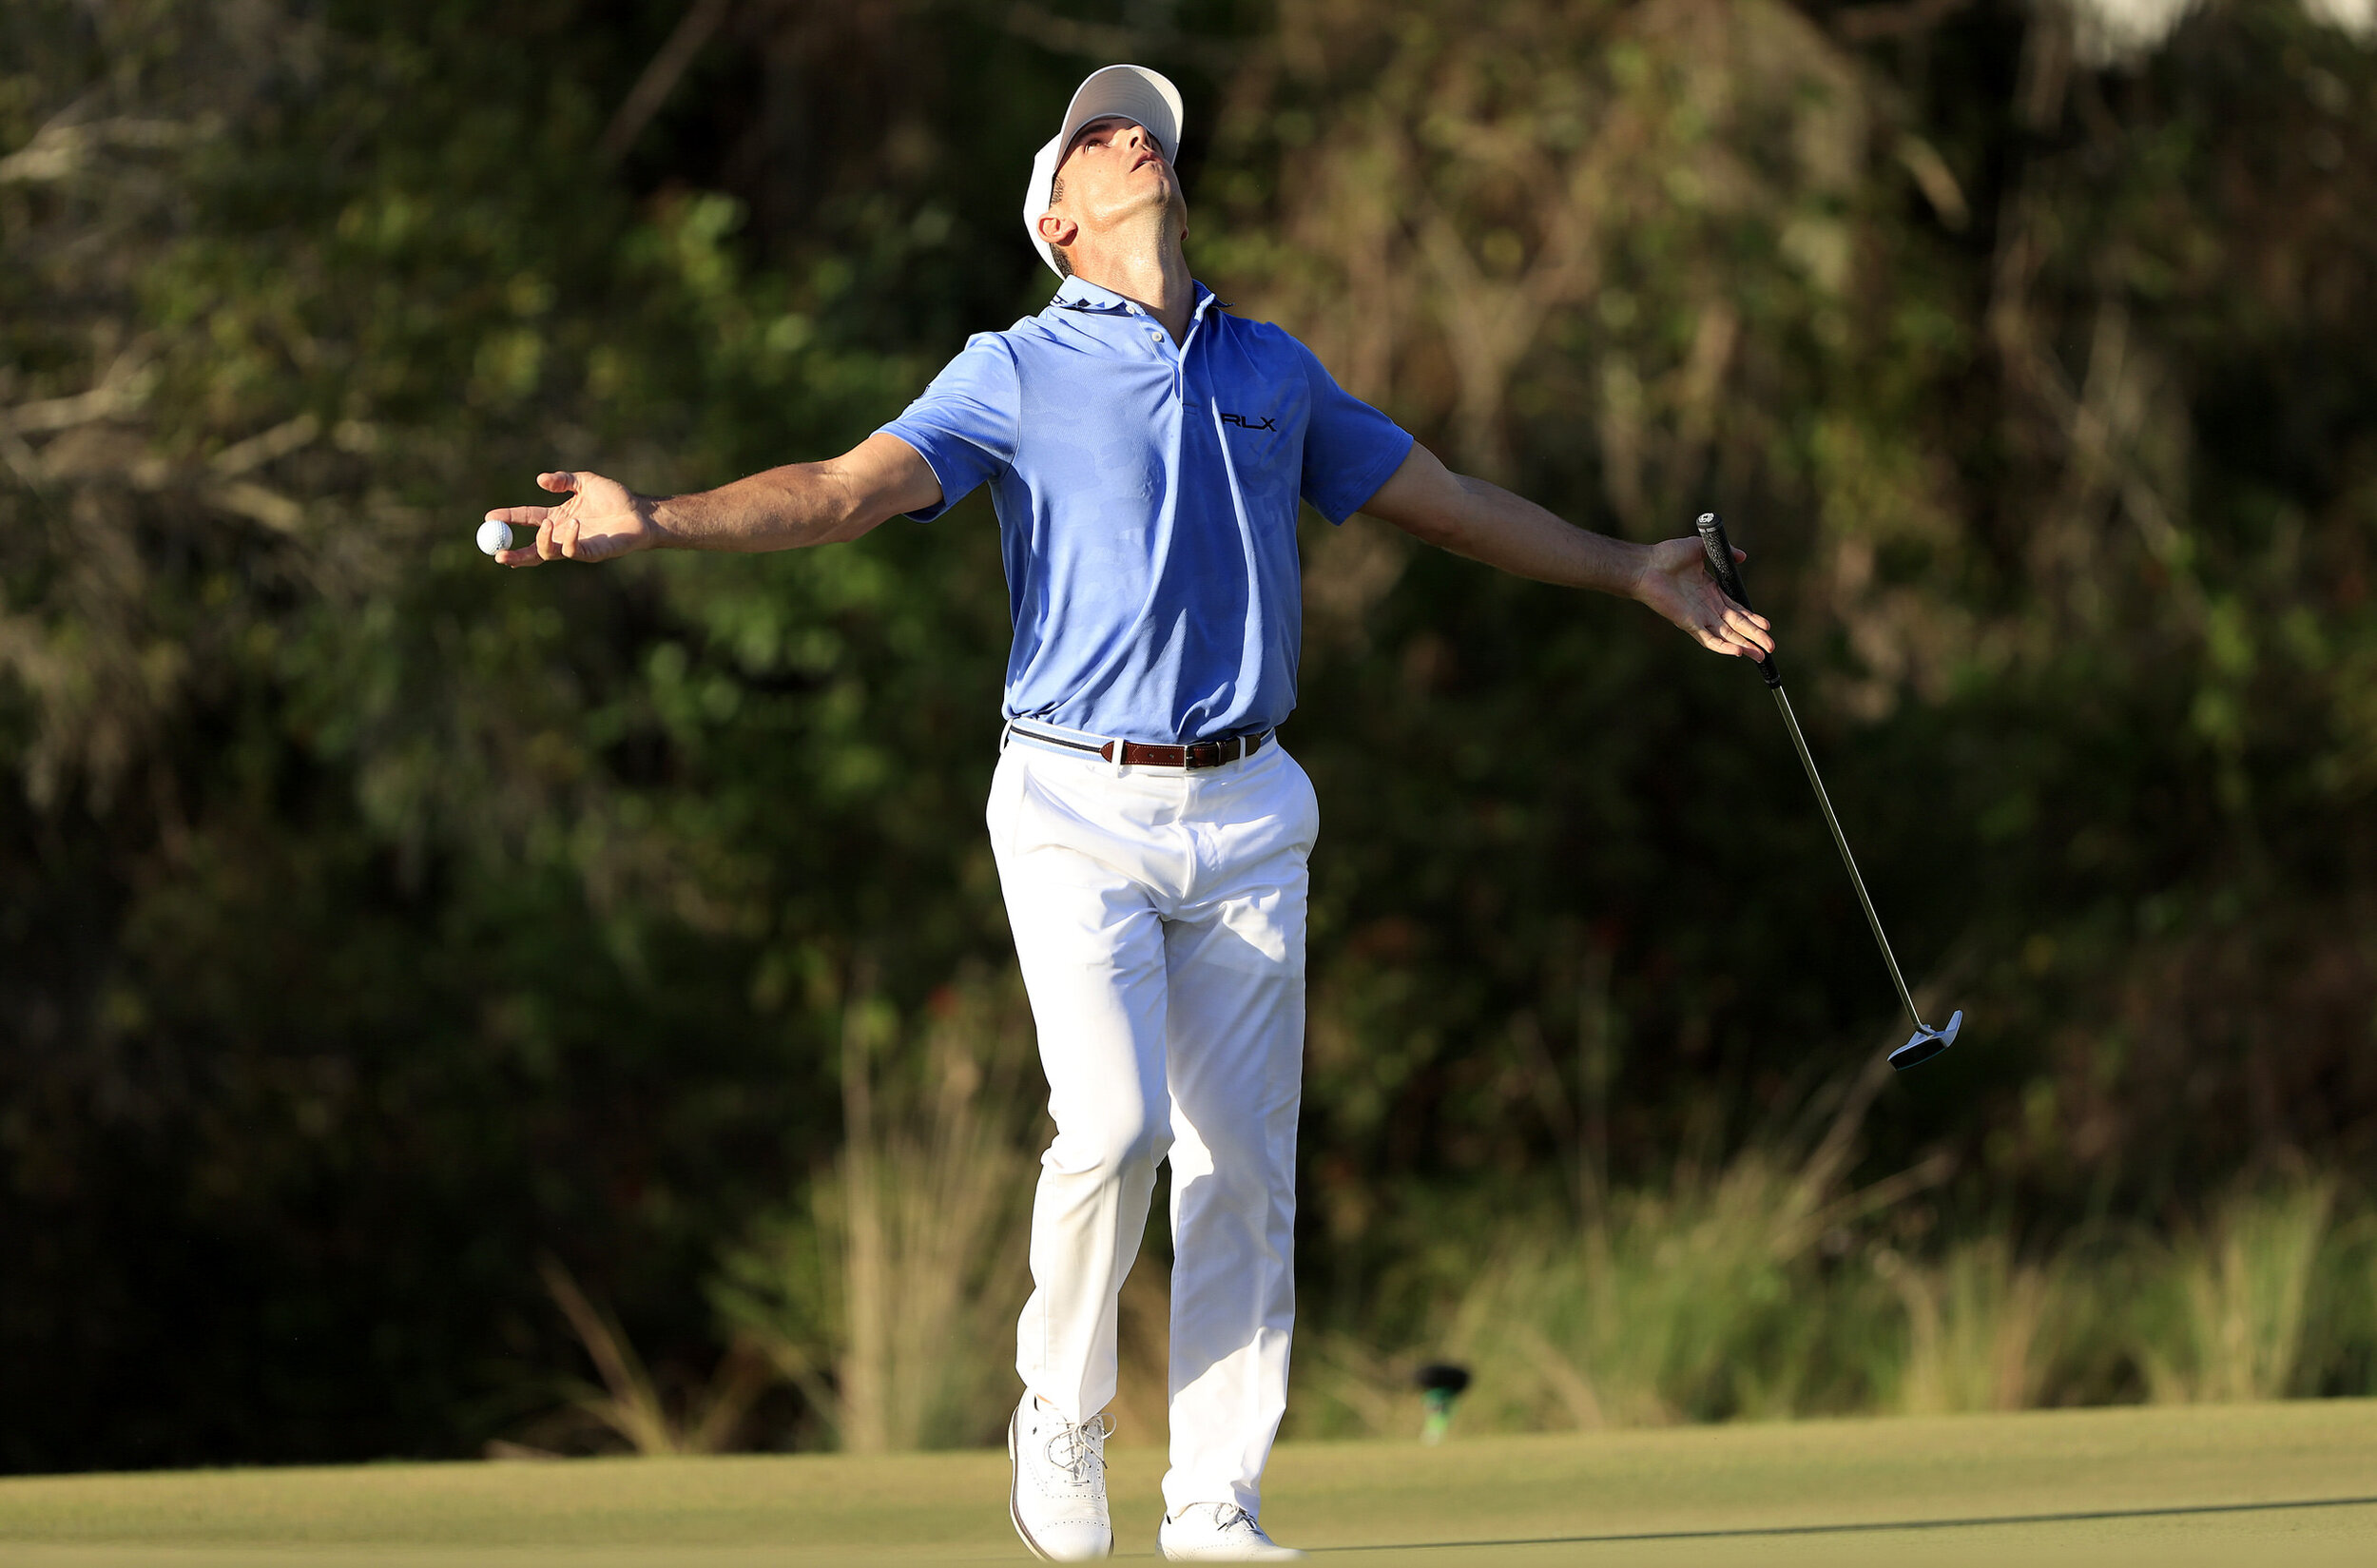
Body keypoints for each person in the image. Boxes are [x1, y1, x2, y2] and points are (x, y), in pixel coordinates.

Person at [480, 63, 1773, 1563]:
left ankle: (1216, 1498)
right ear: (1059, 223)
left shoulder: (1271, 368)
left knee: (1242, 1163)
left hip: (1250, 808)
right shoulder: (1010, 368)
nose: (1130, 140)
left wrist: (1629, 564)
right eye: (1095, 137)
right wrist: (665, 516)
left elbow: (1448, 498)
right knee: (1112, 1122)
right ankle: (1059, 1407)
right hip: (1071, 800)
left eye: (1143, 126)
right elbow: (843, 489)